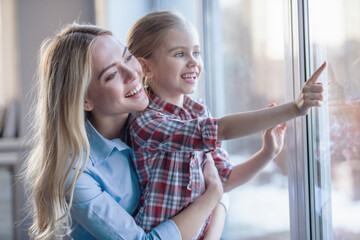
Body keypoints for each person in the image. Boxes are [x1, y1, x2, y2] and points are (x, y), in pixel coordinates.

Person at [126, 11, 327, 239]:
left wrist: (267, 152)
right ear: (146, 68)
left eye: (196, 52)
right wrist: (294, 109)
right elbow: (220, 129)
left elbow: (224, 179)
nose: (193, 61)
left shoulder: (198, 110)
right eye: (180, 54)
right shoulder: (146, 121)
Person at [22, 23, 225, 240]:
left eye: (128, 57)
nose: (132, 74)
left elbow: (219, 177)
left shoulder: (160, 116)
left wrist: (213, 215)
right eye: (111, 75)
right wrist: (211, 197)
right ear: (85, 100)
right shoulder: (75, 173)